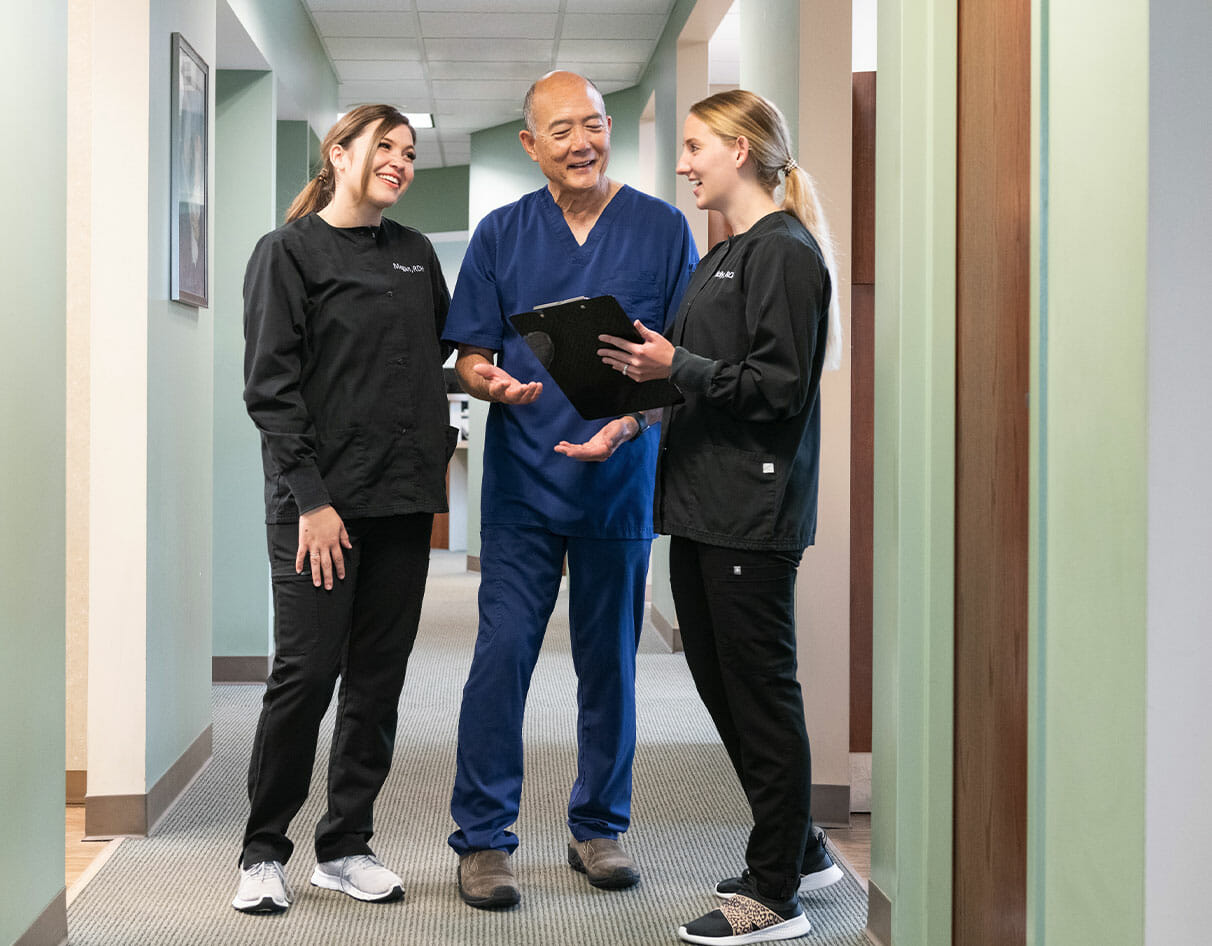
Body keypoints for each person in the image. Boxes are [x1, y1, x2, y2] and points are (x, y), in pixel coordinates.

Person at [584, 89, 846, 944]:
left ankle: (774, 893)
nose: (684, 161)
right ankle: (798, 845)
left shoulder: (786, 255)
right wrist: (630, 409)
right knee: (722, 688)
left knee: (762, 698)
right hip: (700, 506)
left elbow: (777, 391)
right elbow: (695, 376)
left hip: (750, 511)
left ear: (739, 148)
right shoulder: (724, 255)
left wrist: (678, 361)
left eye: (695, 145)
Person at [443, 71, 698, 910]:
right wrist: (493, 385)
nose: (582, 142)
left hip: (617, 482)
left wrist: (627, 427)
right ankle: (483, 840)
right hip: (519, 484)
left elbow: (678, 369)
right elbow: (469, 354)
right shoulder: (501, 233)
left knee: (609, 667)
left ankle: (598, 827)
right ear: (531, 145)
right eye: (562, 131)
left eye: (593, 124)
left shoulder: (661, 229)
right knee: (503, 657)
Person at [232, 104, 456, 915]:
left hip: (401, 502)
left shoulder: (415, 255)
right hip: (318, 508)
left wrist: (487, 379)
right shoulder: (286, 252)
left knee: (377, 681)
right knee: (306, 673)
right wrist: (314, 504)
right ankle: (263, 852)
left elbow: (428, 361)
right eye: (385, 147)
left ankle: (346, 844)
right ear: (340, 152)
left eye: (409, 152)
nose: (400, 161)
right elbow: (271, 390)